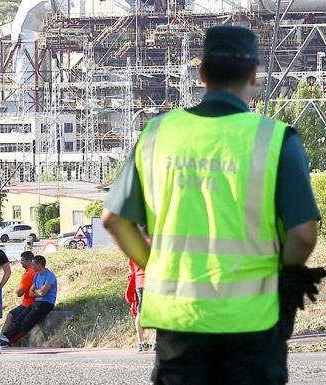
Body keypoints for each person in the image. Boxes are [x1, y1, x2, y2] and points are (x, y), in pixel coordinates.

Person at [101, 26, 324, 385]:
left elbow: (114, 220)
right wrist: (280, 276)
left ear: (201, 73)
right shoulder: (275, 139)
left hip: (179, 322)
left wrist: (156, 267)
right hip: (253, 322)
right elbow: (303, 235)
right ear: (254, 74)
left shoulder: (158, 134)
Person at [0, 255, 56, 346]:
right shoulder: (37, 275)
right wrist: (38, 291)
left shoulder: (50, 275)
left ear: (40, 264)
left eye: (34, 265)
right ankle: (5, 336)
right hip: (37, 302)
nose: (32, 267)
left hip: (46, 303)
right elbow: (30, 292)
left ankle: (9, 339)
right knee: (20, 318)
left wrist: (36, 291)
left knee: (27, 321)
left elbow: (43, 293)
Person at [0, 251, 36, 336]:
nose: (21, 263)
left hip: (28, 304)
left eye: (22, 261)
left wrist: (16, 290)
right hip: (37, 301)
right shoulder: (37, 271)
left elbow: (19, 293)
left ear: (29, 261)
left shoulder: (28, 274)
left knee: (10, 315)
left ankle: (3, 336)